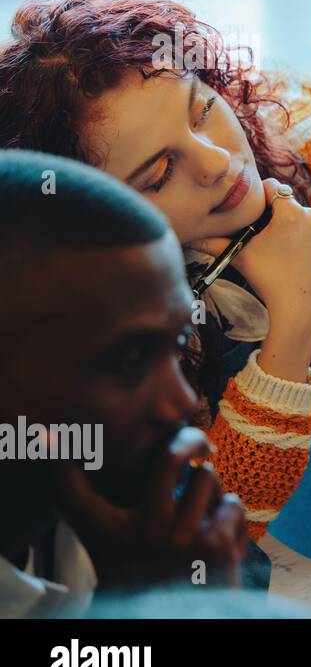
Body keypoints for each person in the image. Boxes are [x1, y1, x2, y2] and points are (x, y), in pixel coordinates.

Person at [0, 0, 311, 540]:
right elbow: (213, 533)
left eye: (202, 112)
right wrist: (293, 326)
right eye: (158, 175)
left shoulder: (301, 158)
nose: (219, 164)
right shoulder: (83, 338)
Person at [0, 150, 249, 617]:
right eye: (128, 360)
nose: (182, 401)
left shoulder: (125, 521)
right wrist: (167, 608)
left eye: (177, 342)